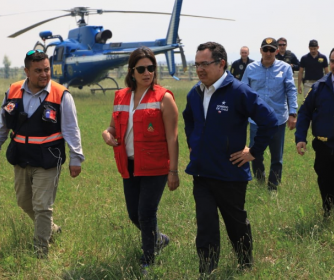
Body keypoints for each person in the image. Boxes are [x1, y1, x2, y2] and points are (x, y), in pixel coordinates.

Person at [183, 41, 278, 276]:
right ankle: (207, 270)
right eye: (197, 64)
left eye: (205, 64)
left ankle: (245, 263)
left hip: (230, 174)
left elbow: (270, 120)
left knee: (236, 224)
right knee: (206, 225)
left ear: (221, 63)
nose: (200, 69)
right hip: (202, 172)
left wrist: (253, 152)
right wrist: (193, 144)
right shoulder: (194, 93)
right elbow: (189, 121)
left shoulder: (238, 92)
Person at [0, 50, 84, 258]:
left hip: (48, 159)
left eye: (47, 69)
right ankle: (53, 229)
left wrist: (76, 158)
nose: (44, 74)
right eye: (38, 70)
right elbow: (2, 124)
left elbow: (71, 130)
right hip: (21, 157)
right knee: (24, 202)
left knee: (42, 205)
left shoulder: (61, 95)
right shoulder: (13, 90)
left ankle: (41, 252)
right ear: (27, 71)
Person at [101, 46, 179, 271]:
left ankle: (148, 261)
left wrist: (173, 171)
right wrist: (107, 134)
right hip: (130, 164)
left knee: (146, 213)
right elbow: (112, 127)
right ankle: (158, 240)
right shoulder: (120, 96)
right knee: (134, 214)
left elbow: (173, 139)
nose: (147, 73)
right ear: (131, 71)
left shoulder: (164, 98)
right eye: (142, 69)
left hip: (156, 167)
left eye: (151, 68)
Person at [295, 45, 334, 229]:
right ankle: (329, 215)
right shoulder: (319, 87)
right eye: (333, 61)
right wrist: (300, 137)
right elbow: (304, 113)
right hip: (324, 147)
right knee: (325, 184)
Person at [242, 37, 298, 191]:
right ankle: (260, 182)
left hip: (278, 119)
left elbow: (291, 91)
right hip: (256, 120)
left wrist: (293, 113)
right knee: (255, 154)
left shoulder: (285, 68)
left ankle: (273, 186)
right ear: (260, 50)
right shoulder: (251, 68)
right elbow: (243, 92)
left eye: (271, 50)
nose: (268, 53)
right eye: (265, 49)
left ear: (277, 51)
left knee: (276, 157)